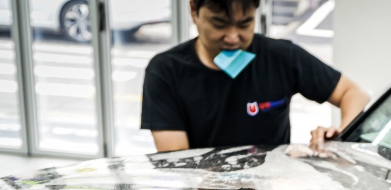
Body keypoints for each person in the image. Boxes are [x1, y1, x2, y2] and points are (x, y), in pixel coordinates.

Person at [140, 0, 370, 153]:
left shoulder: (281, 56)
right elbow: (178, 162)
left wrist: (338, 139)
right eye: (219, 24)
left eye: (245, 23)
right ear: (193, 11)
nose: (233, 37)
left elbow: (353, 93)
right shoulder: (166, 70)